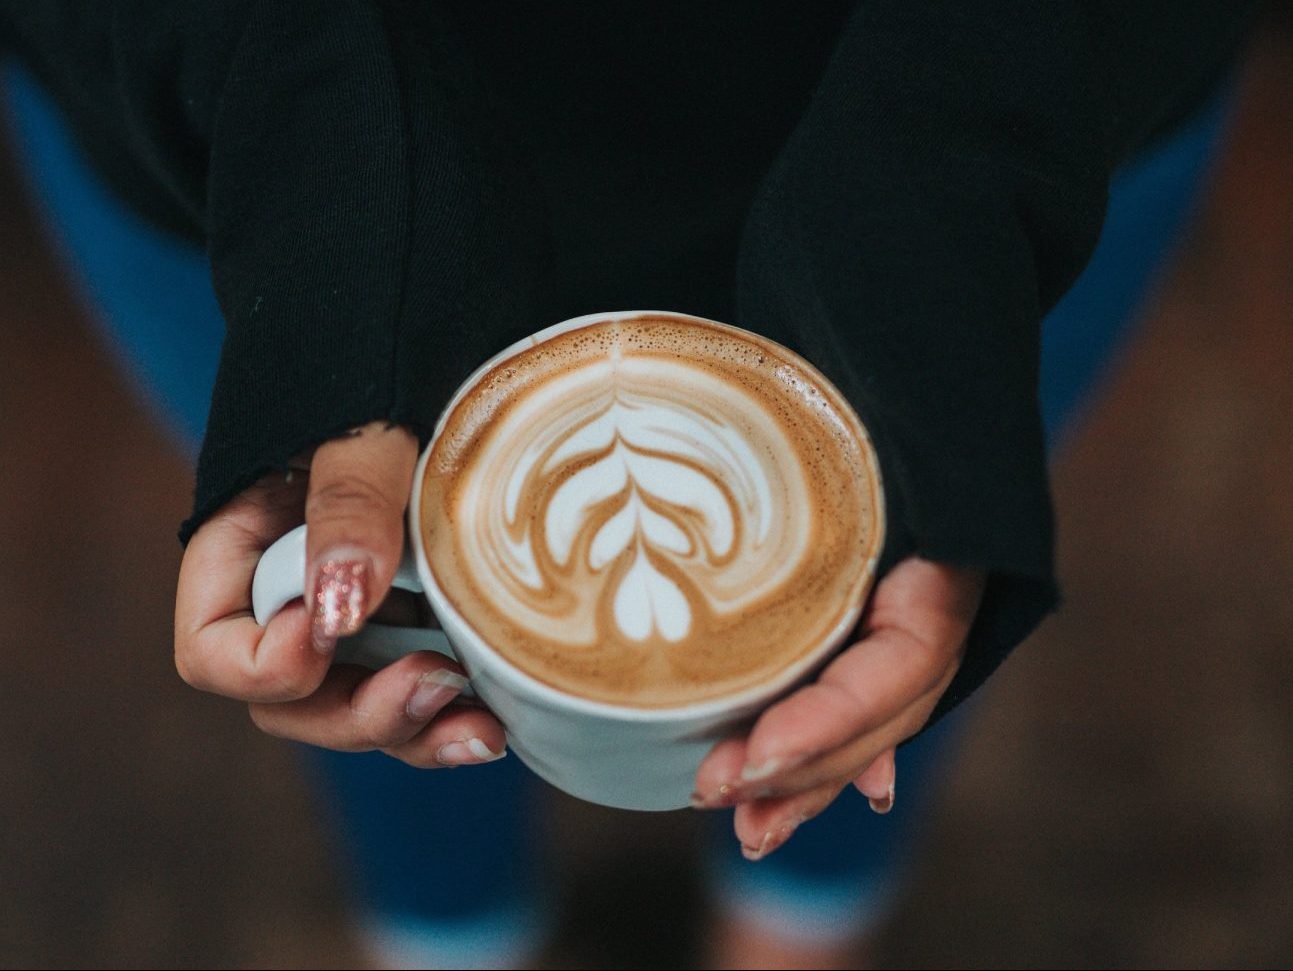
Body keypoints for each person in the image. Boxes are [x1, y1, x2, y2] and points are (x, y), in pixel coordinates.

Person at [0, 3, 1255, 967]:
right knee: (348, 589)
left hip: (1019, 80)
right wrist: (334, 222)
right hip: (240, 87)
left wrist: (944, 201)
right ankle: (448, 935)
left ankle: (797, 928)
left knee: (913, 569)